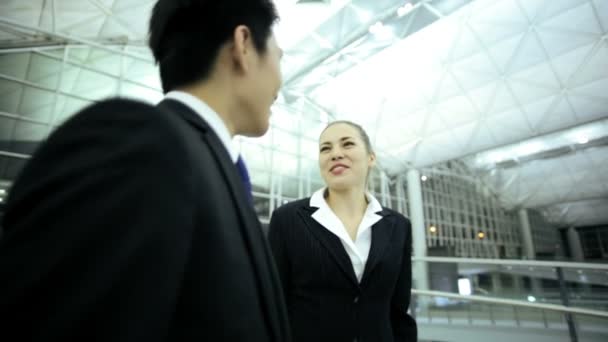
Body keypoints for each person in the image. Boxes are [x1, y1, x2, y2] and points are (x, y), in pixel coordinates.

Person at [0, 0, 290, 341]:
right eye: (279, 56)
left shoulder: (213, 166)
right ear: (243, 45)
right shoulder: (140, 143)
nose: (280, 80)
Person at [268, 121, 417, 342]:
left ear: (371, 158)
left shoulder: (398, 225)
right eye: (325, 148)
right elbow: (272, 302)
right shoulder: (288, 219)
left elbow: (398, 310)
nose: (335, 154)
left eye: (347, 144)